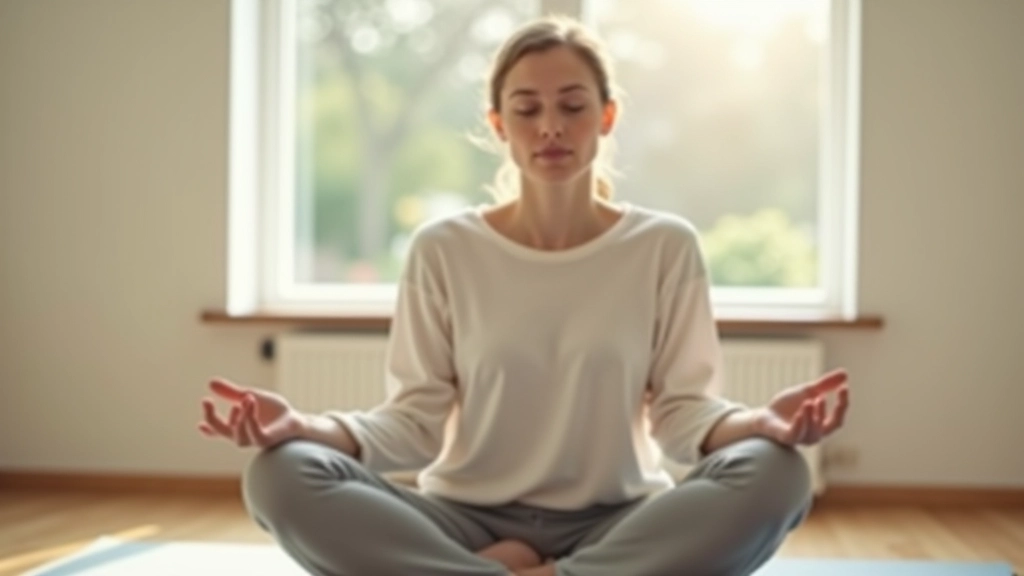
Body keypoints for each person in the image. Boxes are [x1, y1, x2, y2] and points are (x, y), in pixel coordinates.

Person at [198, 14, 850, 576]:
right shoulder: (443, 248)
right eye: (527, 108)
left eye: (572, 106)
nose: (550, 128)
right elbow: (413, 423)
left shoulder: (664, 246)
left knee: (781, 472)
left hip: (615, 527)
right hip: (460, 524)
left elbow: (683, 416)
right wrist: (303, 427)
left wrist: (762, 425)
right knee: (277, 473)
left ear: (607, 116)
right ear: (497, 124)